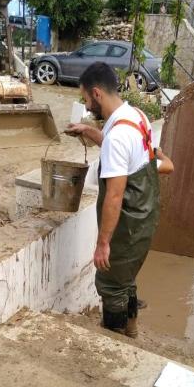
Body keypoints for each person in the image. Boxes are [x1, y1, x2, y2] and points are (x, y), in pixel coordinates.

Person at [66, 62, 173, 338]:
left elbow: (114, 196)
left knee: (110, 282)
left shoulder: (117, 136)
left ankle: (113, 337)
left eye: (86, 99)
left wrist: (103, 243)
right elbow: (122, 153)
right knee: (125, 278)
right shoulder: (136, 116)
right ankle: (132, 329)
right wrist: (88, 131)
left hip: (127, 222)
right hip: (144, 216)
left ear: (97, 93)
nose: (86, 105)